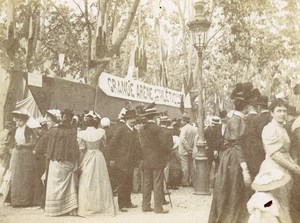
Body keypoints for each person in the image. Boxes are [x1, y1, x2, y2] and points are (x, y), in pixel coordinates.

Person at [209, 82, 256, 223]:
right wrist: (245, 169)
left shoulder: (235, 118)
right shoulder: (237, 120)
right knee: (233, 193)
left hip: (229, 159)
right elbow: (237, 145)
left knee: (228, 192)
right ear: (246, 106)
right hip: (234, 161)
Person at [262, 99, 300, 223]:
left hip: (284, 169)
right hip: (273, 170)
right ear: (271, 113)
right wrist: (294, 168)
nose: (282, 114)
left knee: (284, 202)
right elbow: (275, 154)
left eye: (284, 111)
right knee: (275, 204)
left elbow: (285, 152)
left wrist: (293, 164)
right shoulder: (269, 128)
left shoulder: (282, 128)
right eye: (279, 111)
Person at [43, 109, 79, 216]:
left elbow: (43, 141)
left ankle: (54, 209)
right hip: (65, 161)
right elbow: (74, 149)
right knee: (67, 186)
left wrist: (46, 153)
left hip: (54, 161)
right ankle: (67, 208)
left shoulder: (53, 131)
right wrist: (76, 162)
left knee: (54, 186)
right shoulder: (72, 132)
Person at [77, 116, 115, 216]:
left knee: (87, 181)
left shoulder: (82, 134)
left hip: (88, 156)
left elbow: (81, 150)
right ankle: (101, 206)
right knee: (100, 180)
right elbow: (104, 145)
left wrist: (79, 162)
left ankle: (88, 207)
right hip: (99, 156)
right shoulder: (101, 132)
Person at [108, 109, 141, 212]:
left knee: (129, 182)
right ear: (126, 120)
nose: (133, 120)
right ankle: (121, 204)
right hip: (121, 161)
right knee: (122, 182)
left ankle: (128, 201)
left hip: (131, 161)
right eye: (130, 119)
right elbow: (113, 144)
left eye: (134, 118)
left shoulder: (135, 131)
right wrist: (112, 158)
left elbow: (137, 146)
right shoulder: (121, 129)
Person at [139, 107, 170, 214]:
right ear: (155, 116)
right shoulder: (157, 128)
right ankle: (158, 208)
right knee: (157, 183)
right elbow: (163, 145)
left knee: (146, 183)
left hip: (146, 159)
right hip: (157, 159)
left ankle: (145, 205)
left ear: (147, 117)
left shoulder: (142, 129)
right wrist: (166, 154)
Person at [5, 110, 36, 207]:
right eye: (17, 121)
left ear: (25, 121)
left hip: (26, 155)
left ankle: (26, 200)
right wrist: (12, 147)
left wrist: (24, 145)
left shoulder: (29, 130)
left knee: (25, 176)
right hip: (16, 155)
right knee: (16, 175)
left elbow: (33, 142)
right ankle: (15, 200)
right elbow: (8, 142)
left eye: (21, 121)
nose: (18, 123)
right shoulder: (14, 130)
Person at [33, 109, 61, 209]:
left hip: (52, 158)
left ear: (54, 121)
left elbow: (43, 141)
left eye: (49, 121)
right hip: (55, 158)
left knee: (48, 178)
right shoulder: (56, 130)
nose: (47, 123)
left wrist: (36, 150)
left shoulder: (53, 131)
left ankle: (46, 202)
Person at [178, 113, 197, 187]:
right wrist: (191, 149)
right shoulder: (194, 129)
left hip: (184, 150)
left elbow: (182, 139)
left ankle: (185, 181)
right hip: (192, 150)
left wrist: (187, 148)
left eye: (182, 121)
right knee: (191, 166)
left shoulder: (184, 128)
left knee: (185, 167)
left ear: (185, 121)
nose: (181, 122)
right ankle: (192, 181)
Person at [204, 116, 222, 188]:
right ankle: (214, 184)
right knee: (217, 168)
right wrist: (216, 150)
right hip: (217, 151)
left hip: (208, 151)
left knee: (208, 168)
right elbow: (218, 141)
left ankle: (206, 184)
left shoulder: (206, 129)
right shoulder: (219, 130)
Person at [0, 121, 15, 188]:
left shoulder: (2, 132)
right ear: (9, 127)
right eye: (12, 127)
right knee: (4, 170)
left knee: (2, 169)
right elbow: (6, 144)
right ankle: (2, 187)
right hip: (5, 153)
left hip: (1, 152)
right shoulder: (7, 134)